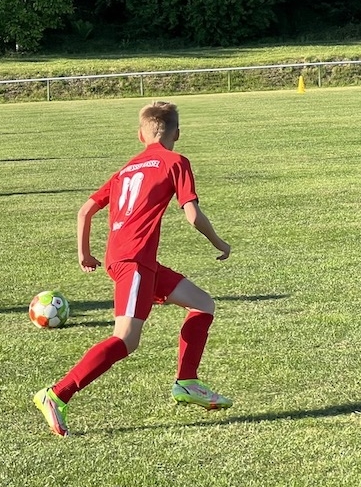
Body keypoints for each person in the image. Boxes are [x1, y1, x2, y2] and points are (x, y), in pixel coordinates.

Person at [33, 101, 232, 437]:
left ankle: (187, 382)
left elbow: (84, 211)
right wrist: (220, 243)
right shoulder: (175, 161)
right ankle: (56, 394)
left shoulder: (126, 169)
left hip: (131, 259)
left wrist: (85, 254)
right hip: (134, 261)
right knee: (126, 339)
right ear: (177, 134)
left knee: (202, 304)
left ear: (141, 135)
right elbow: (193, 215)